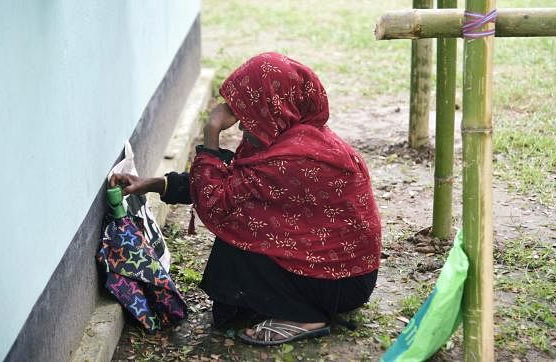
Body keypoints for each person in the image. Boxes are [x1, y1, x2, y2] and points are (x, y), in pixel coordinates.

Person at [111, 52, 381, 346]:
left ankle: (304, 316)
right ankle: (300, 302)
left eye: (247, 114)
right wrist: (153, 184)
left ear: (272, 108)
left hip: (339, 283)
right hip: (346, 276)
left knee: (234, 252)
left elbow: (218, 205)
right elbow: (231, 183)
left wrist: (211, 134)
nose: (240, 126)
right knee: (236, 254)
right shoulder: (294, 138)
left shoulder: (292, 158)